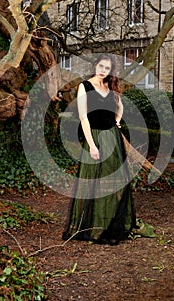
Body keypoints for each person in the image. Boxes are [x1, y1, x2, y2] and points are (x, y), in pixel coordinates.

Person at [62, 54, 136, 245]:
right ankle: (93, 226)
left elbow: (120, 107)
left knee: (115, 180)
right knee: (94, 183)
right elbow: (84, 118)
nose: (103, 70)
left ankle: (111, 223)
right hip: (94, 137)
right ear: (95, 65)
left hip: (112, 137)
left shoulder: (110, 87)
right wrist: (92, 146)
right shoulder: (84, 86)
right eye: (101, 66)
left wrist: (117, 122)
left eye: (107, 68)